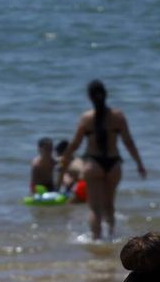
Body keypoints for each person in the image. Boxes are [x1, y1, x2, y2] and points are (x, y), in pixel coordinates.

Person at [59, 80, 146, 241]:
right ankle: (111, 238)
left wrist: (64, 160)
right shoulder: (118, 116)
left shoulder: (86, 118)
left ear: (89, 97)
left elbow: (75, 144)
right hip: (114, 164)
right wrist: (139, 164)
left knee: (95, 208)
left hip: (93, 164)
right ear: (106, 95)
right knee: (109, 206)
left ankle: (96, 240)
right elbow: (129, 142)